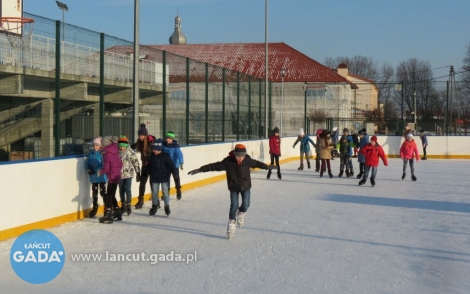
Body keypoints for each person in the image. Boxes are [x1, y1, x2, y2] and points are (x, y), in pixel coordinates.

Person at [187, 144, 276, 239]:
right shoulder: (228, 162)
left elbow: (257, 163)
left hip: (245, 186)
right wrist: (200, 169)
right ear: (234, 154)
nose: (240, 158)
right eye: (238, 156)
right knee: (234, 205)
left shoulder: (247, 160)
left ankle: (241, 213)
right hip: (233, 187)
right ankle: (231, 223)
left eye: (242, 156)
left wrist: (267, 167)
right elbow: (214, 166)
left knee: (246, 204)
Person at [147, 139, 181, 217]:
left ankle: (167, 206)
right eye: (153, 149)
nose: (153, 151)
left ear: (159, 149)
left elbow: (171, 165)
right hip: (155, 178)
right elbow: (149, 166)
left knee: (165, 193)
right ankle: (154, 206)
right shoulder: (152, 156)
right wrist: (145, 172)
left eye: (155, 149)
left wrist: (175, 172)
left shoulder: (166, 156)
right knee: (155, 193)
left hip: (164, 178)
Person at [97, 136, 123, 224]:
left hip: (112, 176)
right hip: (117, 175)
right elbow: (121, 164)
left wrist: (100, 171)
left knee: (109, 195)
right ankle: (117, 212)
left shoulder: (107, 154)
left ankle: (108, 214)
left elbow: (107, 168)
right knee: (111, 194)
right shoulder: (115, 151)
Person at [130, 123, 155, 209]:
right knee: (142, 183)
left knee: (152, 183)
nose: (141, 137)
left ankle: (155, 200)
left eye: (142, 135)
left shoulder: (151, 143)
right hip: (144, 166)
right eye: (140, 135)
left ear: (146, 135)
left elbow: (157, 152)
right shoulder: (139, 143)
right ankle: (140, 200)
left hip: (152, 166)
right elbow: (131, 147)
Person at [117, 135, 140, 216]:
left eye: (123, 146)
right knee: (121, 189)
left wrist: (138, 172)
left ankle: (128, 204)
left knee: (128, 189)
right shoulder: (116, 152)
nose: (121, 148)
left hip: (129, 174)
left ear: (126, 145)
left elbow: (135, 161)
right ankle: (123, 204)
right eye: (120, 146)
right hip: (119, 175)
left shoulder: (130, 152)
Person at [85, 136, 107, 218]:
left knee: (103, 192)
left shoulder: (102, 154)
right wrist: (88, 168)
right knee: (94, 193)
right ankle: (95, 207)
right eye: (94, 145)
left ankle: (106, 208)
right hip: (93, 178)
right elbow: (87, 162)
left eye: (97, 145)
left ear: (100, 146)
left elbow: (103, 165)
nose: (95, 147)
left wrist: (96, 170)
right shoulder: (91, 153)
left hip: (101, 177)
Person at [162, 131, 184, 200]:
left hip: (174, 165)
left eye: (169, 138)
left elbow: (179, 155)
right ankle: (166, 193)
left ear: (172, 139)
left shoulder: (175, 146)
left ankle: (178, 191)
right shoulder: (163, 145)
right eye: (167, 138)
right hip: (166, 166)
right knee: (166, 180)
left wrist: (181, 163)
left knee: (176, 178)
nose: (168, 139)